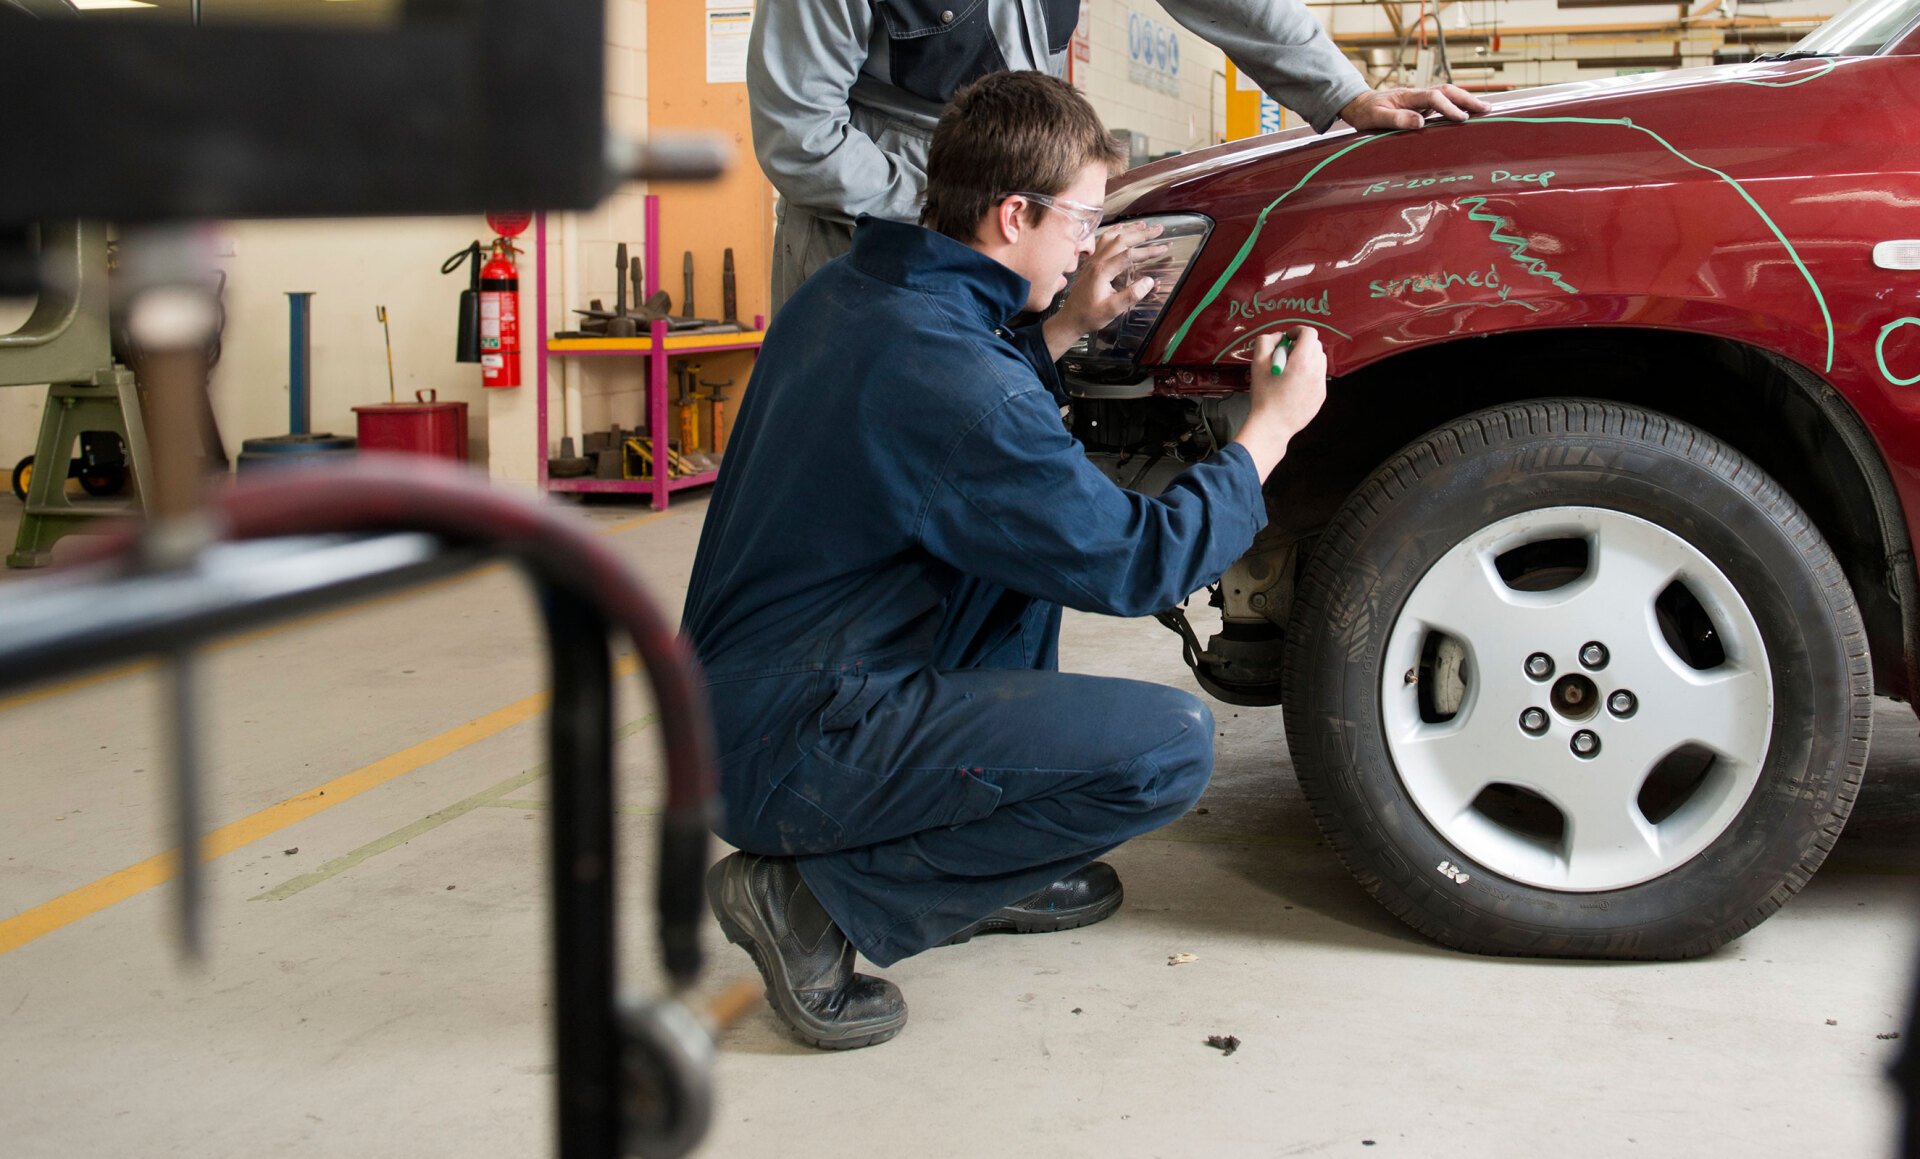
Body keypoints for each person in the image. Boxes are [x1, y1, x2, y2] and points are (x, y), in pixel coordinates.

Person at [682, 70, 1328, 1050]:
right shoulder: (957, 378)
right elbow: (1133, 563)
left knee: (1020, 559)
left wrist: (1061, 327)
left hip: (742, 705)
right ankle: (818, 896)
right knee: (1166, 748)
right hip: (793, 745)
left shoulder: (856, 292)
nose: (1086, 245)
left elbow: (960, 422)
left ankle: (976, 861)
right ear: (1013, 212)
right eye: (1080, 221)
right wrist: (1269, 434)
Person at [749, 0, 1491, 312]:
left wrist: (1345, 93)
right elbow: (801, 139)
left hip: (1010, 218)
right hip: (870, 237)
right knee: (863, 501)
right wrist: (964, 212)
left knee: (989, 490)